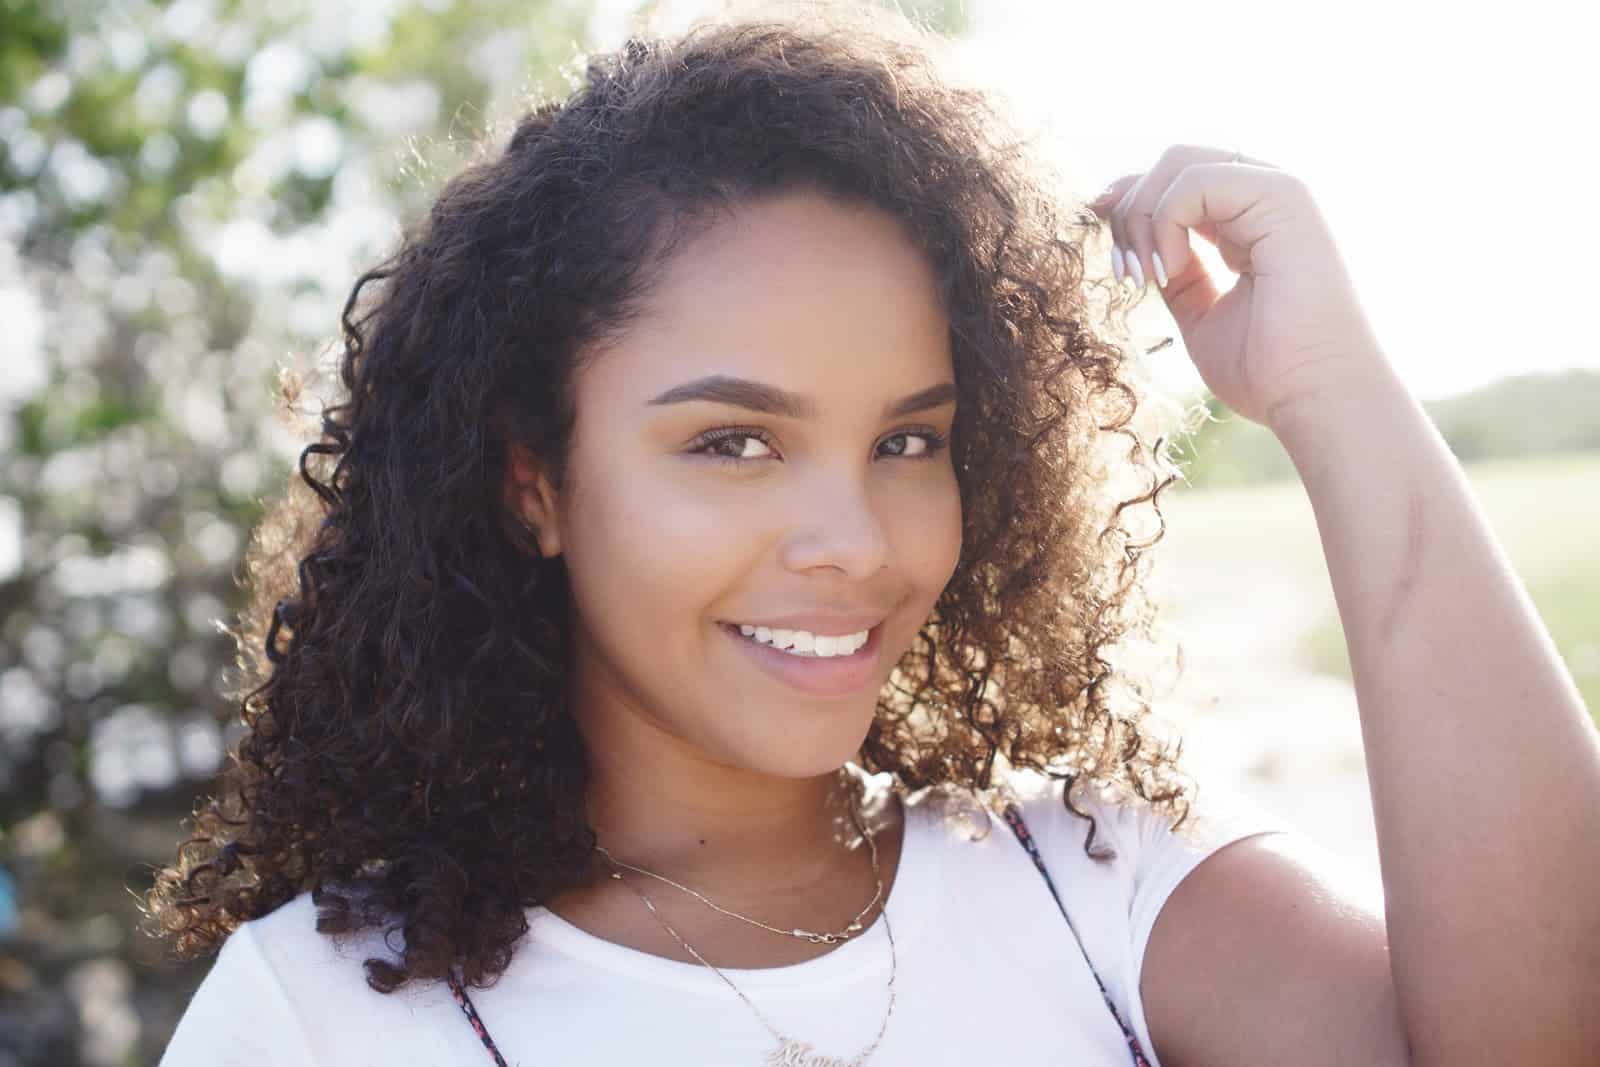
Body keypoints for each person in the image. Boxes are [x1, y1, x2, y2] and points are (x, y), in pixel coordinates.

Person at [149, 3, 1600, 1065]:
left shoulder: (1092, 877)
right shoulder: (323, 1016)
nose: (853, 540)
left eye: (909, 440)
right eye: (733, 442)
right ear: (532, 484)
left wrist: (1335, 393)